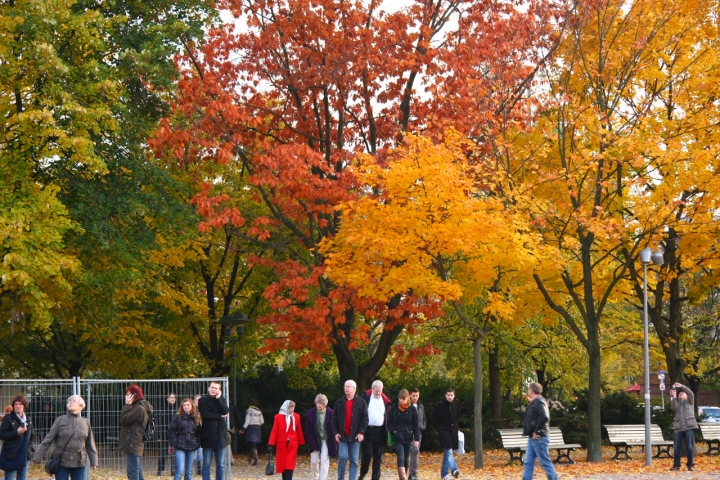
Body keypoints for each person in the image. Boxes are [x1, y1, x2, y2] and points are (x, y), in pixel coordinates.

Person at [33, 395, 98, 480]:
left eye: (73, 401)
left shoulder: (85, 422)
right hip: (61, 460)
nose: (70, 402)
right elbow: (48, 440)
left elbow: (90, 444)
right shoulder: (60, 420)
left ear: (81, 405)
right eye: (69, 401)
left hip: (79, 461)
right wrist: (38, 457)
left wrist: (94, 461)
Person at [332, 380, 368, 480]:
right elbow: (334, 419)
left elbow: (365, 418)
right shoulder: (339, 402)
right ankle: (340, 478)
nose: (346, 388)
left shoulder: (361, 402)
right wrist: (336, 433)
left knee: (354, 460)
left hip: (355, 436)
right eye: (345, 386)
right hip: (343, 436)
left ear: (354, 389)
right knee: (342, 457)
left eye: (349, 386)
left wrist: (361, 432)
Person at [522, 382, 557, 480]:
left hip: (538, 437)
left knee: (545, 463)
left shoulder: (539, 402)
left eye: (529, 389)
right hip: (532, 438)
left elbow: (544, 416)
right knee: (528, 462)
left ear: (531, 390)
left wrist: (537, 431)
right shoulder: (537, 401)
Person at [120, 384, 154, 480]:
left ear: (134, 395)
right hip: (134, 442)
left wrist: (126, 404)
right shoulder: (139, 406)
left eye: (128, 394)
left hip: (133, 443)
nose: (126, 396)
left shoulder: (139, 408)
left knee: (133, 473)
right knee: (137, 472)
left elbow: (123, 419)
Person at [359, 380, 391, 480]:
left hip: (380, 432)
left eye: (380, 391)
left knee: (378, 458)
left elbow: (389, 412)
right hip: (368, 431)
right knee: (367, 455)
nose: (378, 393)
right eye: (376, 391)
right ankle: (363, 473)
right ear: (372, 389)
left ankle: (375, 478)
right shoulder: (365, 397)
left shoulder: (385, 400)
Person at [198, 381, 229, 480]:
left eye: (216, 388)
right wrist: (220, 416)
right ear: (208, 388)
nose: (213, 389)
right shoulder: (202, 400)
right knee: (206, 463)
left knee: (220, 463)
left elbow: (225, 411)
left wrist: (218, 399)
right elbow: (205, 415)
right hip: (208, 435)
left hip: (220, 436)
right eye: (212, 387)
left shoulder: (221, 399)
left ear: (219, 390)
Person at [268, 400, 305, 480]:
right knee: (283, 467)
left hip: (292, 445)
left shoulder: (296, 417)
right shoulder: (278, 417)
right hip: (282, 444)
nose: (292, 409)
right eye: (290, 407)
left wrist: (302, 443)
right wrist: (271, 444)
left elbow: (299, 430)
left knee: (289, 466)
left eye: (293, 407)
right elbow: (274, 431)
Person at [387, 389, 419, 480]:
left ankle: (406, 474)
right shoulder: (394, 408)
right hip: (397, 436)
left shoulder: (412, 409)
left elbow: (415, 425)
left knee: (406, 459)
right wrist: (394, 431)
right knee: (400, 458)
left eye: (403, 399)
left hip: (408, 435)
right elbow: (389, 422)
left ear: (408, 398)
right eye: (400, 399)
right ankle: (403, 478)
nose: (401, 401)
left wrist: (416, 439)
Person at [0, 395, 33, 480]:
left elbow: (32, 435)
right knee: (9, 478)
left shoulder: (28, 419)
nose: (18, 406)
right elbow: (2, 435)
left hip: (24, 454)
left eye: (20, 404)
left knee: (22, 478)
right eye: (16, 404)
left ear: (24, 406)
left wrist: (30, 447)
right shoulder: (8, 418)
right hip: (11, 454)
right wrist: (16, 432)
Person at [168, 398, 202, 480]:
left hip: (192, 445)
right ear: (182, 407)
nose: (186, 407)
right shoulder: (178, 417)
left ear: (192, 406)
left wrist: (197, 443)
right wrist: (175, 443)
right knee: (180, 469)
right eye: (184, 405)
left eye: (188, 405)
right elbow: (171, 431)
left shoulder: (196, 417)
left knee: (189, 471)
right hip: (180, 444)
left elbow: (199, 432)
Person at [305, 394, 336, 480]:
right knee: (314, 462)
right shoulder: (310, 414)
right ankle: (316, 477)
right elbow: (308, 430)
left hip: (326, 440)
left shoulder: (331, 413)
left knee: (324, 461)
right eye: (317, 403)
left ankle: (322, 479)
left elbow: (334, 428)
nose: (318, 405)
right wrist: (311, 442)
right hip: (314, 439)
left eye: (320, 403)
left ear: (324, 404)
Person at [670, 382, 698, 471]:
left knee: (690, 447)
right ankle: (676, 465)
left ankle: (690, 465)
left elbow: (691, 393)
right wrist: (674, 397)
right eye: (680, 393)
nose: (681, 394)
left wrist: (681, 387)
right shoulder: (677, 404)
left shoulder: (690, 402)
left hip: (689, 427)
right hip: (678, 428)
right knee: (677, 447)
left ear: (686, 396)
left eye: (683, 393)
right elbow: (673, 408)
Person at [433, 388, 460, 480]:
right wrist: (440, 429)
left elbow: (456, 419)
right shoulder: (440, 406)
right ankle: (454, 469)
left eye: (451, 395)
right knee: (448, 451)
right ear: (445, 395)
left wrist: (456, 429)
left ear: (454, 396)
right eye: (448, 395)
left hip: (453, 432)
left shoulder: (455, 406)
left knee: (447, 453)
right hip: (444, 432)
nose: (450, 397)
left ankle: (444, 474)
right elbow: (435, 420)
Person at [407, 388, 426, 480]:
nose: (415, 397)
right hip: (409, 432)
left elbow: (424, 418)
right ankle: (406, 472)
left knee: (416, 452)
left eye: (417, 396)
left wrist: (423, 426)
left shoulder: (420, 406)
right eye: (413, 395)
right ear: (410, 395)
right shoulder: (407, 406)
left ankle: (413, 474)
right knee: (409, 452)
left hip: (418, 432)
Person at [238, 399, 264, 465]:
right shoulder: (259, 411)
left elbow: (247, 421)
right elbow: (262, 421)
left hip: (251, 428)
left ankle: (256, 459)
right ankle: (250, 459)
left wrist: (243, 429)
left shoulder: (249, 411)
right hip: (257, 428)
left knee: (252, 444)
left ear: (249, 404)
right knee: (254, 444)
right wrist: (257, 424)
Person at [159, 393, 178, 477]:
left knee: (174, 453)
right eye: (171, 397)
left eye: (174, 397)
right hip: (164, 434)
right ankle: (160, 470)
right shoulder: (162, 409)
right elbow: (159, 423)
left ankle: (173, 471)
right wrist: (159, 436)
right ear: (167, 398)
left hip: (175, 435)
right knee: (163, 453)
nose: (173, 399)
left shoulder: (178, 410)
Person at [193, 395, 204, 476]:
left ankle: (199, 470)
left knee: (200, 455)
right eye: (197, 400)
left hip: (202, 434)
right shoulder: (192, 411)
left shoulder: (204, 410)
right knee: (192, 455)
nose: (198, 401)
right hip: (193, 435)